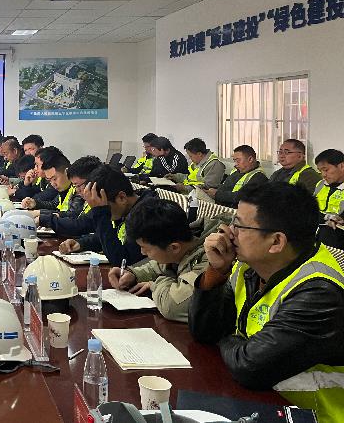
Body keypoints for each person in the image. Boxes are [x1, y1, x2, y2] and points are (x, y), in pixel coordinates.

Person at [189, 183, 344, 421]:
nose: (228, 232)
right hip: (257, 402)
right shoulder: (250, 267)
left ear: (276, 242)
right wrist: (216, 271)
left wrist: (226, 338)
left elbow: (250, 367)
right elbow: (204, 332)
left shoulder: (319, 292)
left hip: (313, 415)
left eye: (239, 225)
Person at [109, 198, 222, 323]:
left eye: (146, 248)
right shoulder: (182, 245)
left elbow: (172, 307)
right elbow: (158, 266)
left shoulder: (213, 257)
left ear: (174, 248)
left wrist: (154, 284)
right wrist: (133, 274)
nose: (142, 252)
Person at [67, 165, 155, 265]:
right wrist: (81, 243)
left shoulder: (148, 216)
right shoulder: (126, 209)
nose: (106, 213)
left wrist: (101, 213)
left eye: (105, 207)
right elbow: (112, 236)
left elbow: (121, 260)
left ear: (121, 198)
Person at [41, 155, 102, 239]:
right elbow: (77, 217)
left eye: (78, 185)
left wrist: (46, 219)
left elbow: (80, 226)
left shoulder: (102, 203)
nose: (77, 190)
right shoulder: (88, 200)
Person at [203, 145, 268, 208]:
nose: (235, 164)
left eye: (238, 160)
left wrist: (216, 194)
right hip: (221, 205)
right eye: (234, 161)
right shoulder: (237, 171)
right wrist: (209, 189)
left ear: (250, 159)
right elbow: (226, 187)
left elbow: (240, 197)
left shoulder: (259, 177)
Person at [314, 149, 344, 250]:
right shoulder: (320, 184)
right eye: (320, 171)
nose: (323, 175)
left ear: (341, 166)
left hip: (337, 236)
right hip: (318, 232)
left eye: (326, 170)